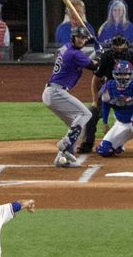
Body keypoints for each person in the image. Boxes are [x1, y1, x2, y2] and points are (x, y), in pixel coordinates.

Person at [82, 34, 133, 153]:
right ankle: (87, 143)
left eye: (120, 47)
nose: (118, 49)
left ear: (126, 47)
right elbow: (95, 80)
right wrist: (95, 101)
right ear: (112, 47)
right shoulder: (106, 58)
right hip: (110, 93)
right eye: (116, 47)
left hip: (131, 94)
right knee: (91, 112)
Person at [42, 26, 99, 168]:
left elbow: (81, 59)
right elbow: (94, 66)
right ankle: (65, 144)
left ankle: (62, 158)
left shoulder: (66, 48)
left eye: (83, 38)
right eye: (78, 37)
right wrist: (99, 51)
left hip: (52, 92)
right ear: (73, 37)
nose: (81, 40)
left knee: (76, 125)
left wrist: (92, 47)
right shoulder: (75, 54)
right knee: (85, 114)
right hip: (56, 92)